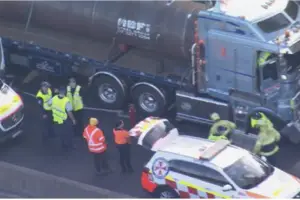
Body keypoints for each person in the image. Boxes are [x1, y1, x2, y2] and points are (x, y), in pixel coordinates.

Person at [48, 86, 76, 152]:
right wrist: (73, 120)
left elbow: (49, 104)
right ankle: (69, 146)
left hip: (56, 120)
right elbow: (69, 112)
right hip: (64, 120)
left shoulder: (54, 98)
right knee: (69, 133)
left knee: (61, 134)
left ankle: (63, 145)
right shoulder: (66, 100)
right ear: (65, 92)